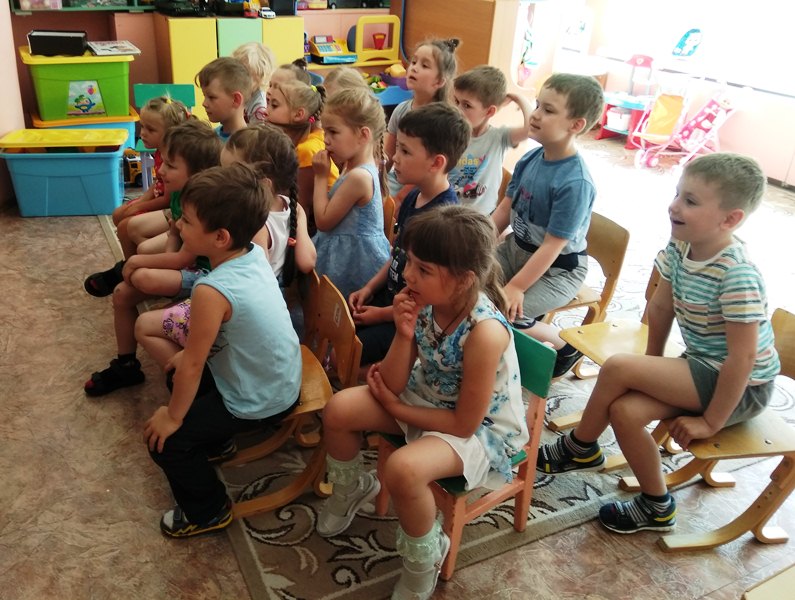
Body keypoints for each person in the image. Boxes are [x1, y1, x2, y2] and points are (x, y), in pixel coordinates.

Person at [536, 153, 781, 534]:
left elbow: (743, 358)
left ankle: (580, 447)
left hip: (743, 387)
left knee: (619, 366)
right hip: (702, 366)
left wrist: (710, 422)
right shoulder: (681, 245)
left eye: (690, 201)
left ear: (730, 219)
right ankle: (657, 505)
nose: (674, 206)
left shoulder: (737, 274)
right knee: (626, 411)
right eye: (677, 194)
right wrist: (650, 369)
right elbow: (662, 305)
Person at [315, 205, 527, 600]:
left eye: (423, 269)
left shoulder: (485, 333)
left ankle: (424, 559)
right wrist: (403, 332)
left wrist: (397, 410)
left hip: (478, 431)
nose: (409, 276)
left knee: (403, 469)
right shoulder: (426, 301)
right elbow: (394, 382)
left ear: (464, 280)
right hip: (426, 397)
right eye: (409, 262)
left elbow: (464, 424)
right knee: (339, 408)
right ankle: (352, 488)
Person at [144, 163, 302, 538]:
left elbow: (194, 363)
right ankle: (218, 441)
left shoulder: (210, 290)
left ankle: (209, 511)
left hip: (262, 399)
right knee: (177, 374)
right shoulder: (252, 253)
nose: (178, 224)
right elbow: (207, 347)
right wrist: (186, 364)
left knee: (166, 444)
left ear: (219, 237)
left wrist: (172, 417)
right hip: (279, 380)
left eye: (187, 221)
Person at [135, 123, 316, 372]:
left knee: (144, 326)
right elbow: (306, 261)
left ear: (263, 184)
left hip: (236, 318)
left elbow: (249, 287)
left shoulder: (253, 225)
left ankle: (202, 376)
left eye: (230, 172)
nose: (221, 177)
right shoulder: (292, 207)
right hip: (259, 307)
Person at [83, 120, 222, 397]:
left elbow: (182, 258)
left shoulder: (203, 204)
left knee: (141, 274)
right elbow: (173, 250)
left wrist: (137, 263)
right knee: (122, 293)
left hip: (208, 279)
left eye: (170, 165)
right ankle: (126, 365)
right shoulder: (180, 196)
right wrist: (170, 237)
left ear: (198, 173)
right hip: (186, 268)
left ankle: (192, 382)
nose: (161, 170)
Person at [491, 72, 604, 377]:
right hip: (516, 250)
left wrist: (516, 287)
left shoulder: (575, 182)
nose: (536, 114)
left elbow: (553, 247)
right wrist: (476, 243)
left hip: (558, 270)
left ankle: (564, 346)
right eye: (538, 105)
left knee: (501, 313)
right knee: (465, 284)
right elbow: (504, 209)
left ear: (576, 125)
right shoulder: (531, 158)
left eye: (549, 110)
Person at [350, 102, 470, 370]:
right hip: (391, 300)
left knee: (344, 355)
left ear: (436, 163)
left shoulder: (442, 222)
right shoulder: (414, 195)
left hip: (410, 320)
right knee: (341, 327)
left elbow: (428, 302)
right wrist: (369, 288)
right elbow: (397, 256)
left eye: (405, 151)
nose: (395, 157)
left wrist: (381, 315)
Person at [83, 96, 190, 295]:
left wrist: (140, 206)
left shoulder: (173, 157)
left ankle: (132, 269)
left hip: (169, 208)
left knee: (127, 225)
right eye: (143, 126)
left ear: (170, 133)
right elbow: (157, 185)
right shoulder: (160, 154)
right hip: (166, 206)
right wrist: (141, 200)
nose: (142, 133)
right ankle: (130, 266)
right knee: (119, 214)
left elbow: (167, 199)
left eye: (151, 129)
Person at [311, 87, 391, 299]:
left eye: (333, 132)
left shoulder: (359, 177)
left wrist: (320, 176)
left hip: (355, 264)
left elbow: (323, 221)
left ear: (363, 135)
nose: (326, 139)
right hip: (346, 254)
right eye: (325, 131)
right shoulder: (352, 166)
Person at [449, 65, 533, 214]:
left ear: (489, 111)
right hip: (448, 211)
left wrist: (518, 98)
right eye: (456, 102)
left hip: (481, 217)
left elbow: (530, 129)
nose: (458, 109)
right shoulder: (449, 132)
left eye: (467, 105)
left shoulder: (499, 138)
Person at [384, 38, 461, 198]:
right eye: (413, 62)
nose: (414, 68)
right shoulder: (401, 109)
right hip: (393, 183)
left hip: (419, 192)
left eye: (424, 65)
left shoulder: (442, 122)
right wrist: (376, 181)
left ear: (439, 81)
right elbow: (387, 155)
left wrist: (399, 199)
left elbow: (430, 172)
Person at [265, 78, 339, 234]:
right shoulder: (311, 137)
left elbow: (301, 207)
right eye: (268, 103)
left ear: (298, 114)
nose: (266, 111)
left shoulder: (306, 150)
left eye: (274, 105)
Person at [195, 57, 250, 141]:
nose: (204, 104)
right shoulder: (210, 139)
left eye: (211, 97)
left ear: (236, 100)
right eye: (204, 96)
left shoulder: (249, 144)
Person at [232, 41, 276, 125]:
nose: (239, 79)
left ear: (261, 78)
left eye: (246, 76)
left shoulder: (259, 105)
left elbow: (257, 132)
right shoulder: (240, 92)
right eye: (236, 73)